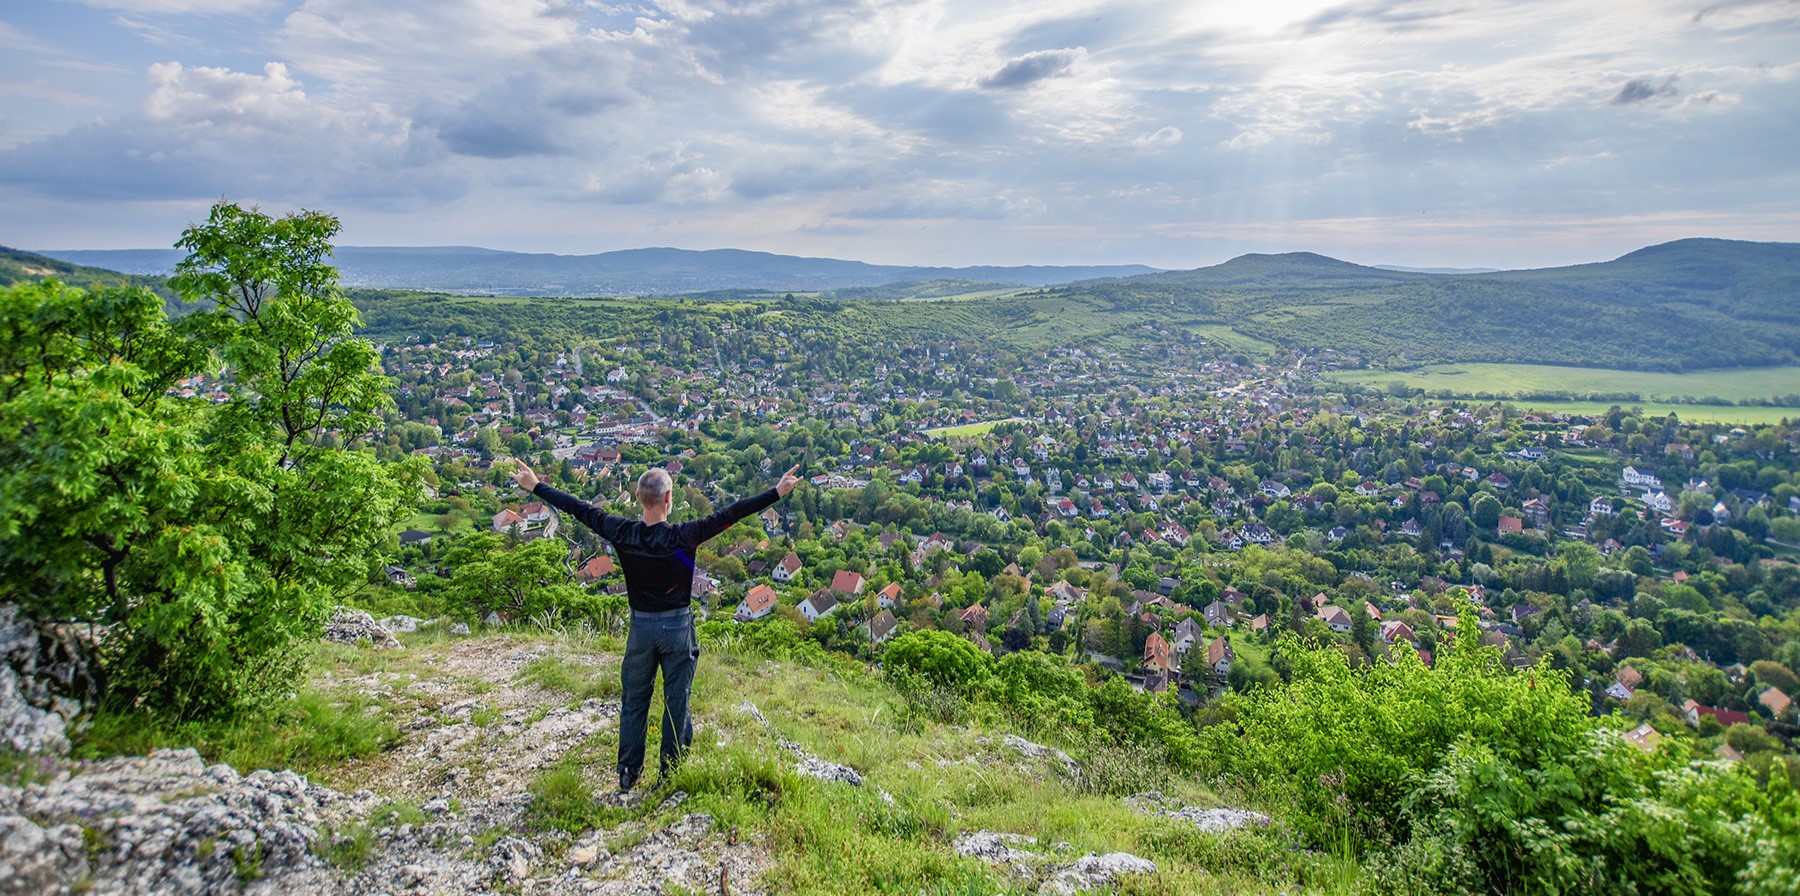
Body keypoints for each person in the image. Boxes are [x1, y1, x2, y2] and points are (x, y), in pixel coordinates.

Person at [510, 460, 802, 792]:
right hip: (677, 629)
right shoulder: (684, 535)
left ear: (637, 496)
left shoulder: (622, 532)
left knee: (635, 699)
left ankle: (628, 770)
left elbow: (579, 509)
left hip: (640, 629)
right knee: (677, 699)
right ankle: (670, 770)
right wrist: (776, 492)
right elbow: (730, 514)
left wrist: (536, 486)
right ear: (669, 499)